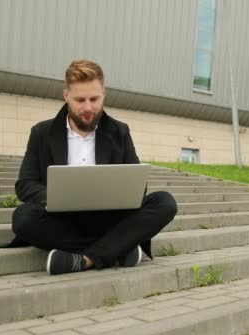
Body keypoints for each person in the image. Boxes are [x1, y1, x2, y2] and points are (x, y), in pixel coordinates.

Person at [10, 59, 177, 275]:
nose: (88, 107)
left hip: (109, 219)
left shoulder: (120, 131)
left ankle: (85, 259)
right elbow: (25, 184)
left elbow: (136, 188)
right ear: (66, 96)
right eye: (80, 100)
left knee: (165, 202)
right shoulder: (41, 133)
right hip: (62, 221)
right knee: (23, 218)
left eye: (94, 99)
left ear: (104, 95)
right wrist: (58, 197)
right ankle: (118, 248)